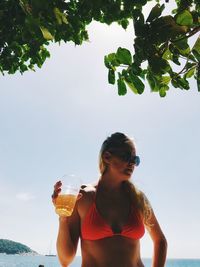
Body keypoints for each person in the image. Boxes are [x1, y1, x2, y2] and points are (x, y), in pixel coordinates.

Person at [52, 132, 167, 267]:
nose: (132, 164)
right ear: (107, 157)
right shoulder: (83, 196)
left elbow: (160, 241)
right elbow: (65, 260)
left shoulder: (138, 199)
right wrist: (63, 218)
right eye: (126, 157)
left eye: (135, 160)